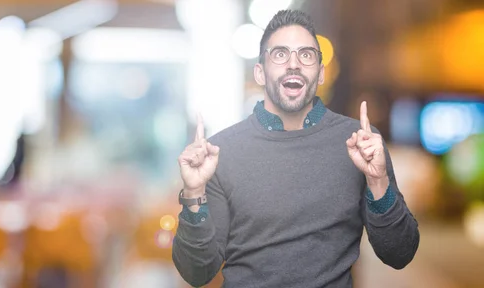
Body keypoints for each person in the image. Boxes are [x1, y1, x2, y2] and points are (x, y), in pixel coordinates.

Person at [172, 9, 419, 288]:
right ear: (260, 73)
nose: (293, 64)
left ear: (321, 73)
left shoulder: (361, 143)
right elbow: (197, 272)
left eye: (306, 55)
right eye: (279, 54)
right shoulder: (219, 153)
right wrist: (193, 193)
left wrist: (378, 181)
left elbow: (400, 253)